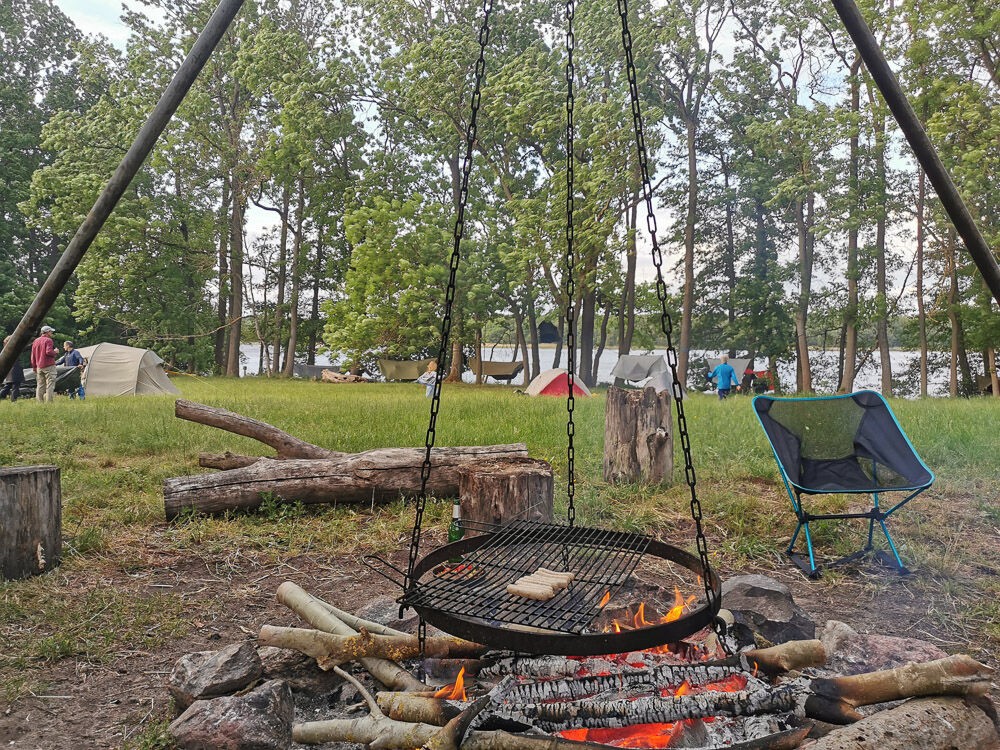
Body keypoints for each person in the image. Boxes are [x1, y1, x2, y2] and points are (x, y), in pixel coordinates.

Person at [30, 325, 60, 402]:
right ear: (47, 332)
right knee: (50, 384)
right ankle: (49, 402)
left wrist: (34, 367)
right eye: (51, 331)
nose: (52, 333)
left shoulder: (36, 341)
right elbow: (48, 352)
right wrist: (55, 352)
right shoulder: (48, 340)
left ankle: (39, 402)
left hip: (39, 366)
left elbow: (33, 355)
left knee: (40, 385)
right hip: (49, 365)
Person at [0, 335, 25, 402]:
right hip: (15, 370)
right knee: (15, 386)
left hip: (10, 370)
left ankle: (1, 396)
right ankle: (14, 400)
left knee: (8, 386)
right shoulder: (12, 349)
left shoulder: (6, 350)